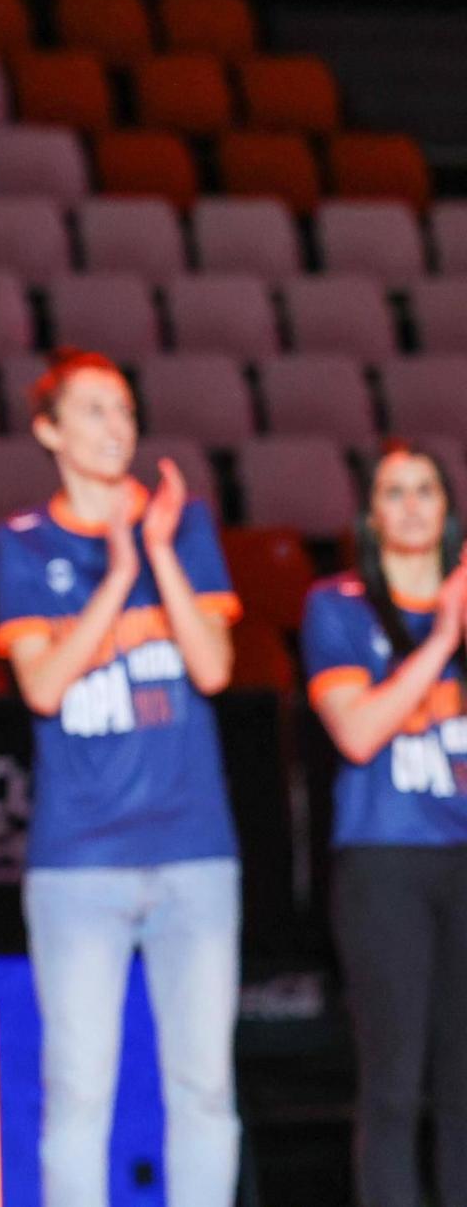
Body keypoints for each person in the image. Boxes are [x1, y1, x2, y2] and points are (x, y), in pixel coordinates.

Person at [0, 349, 242, 1207]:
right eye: (94, 410)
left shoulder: (188, 526)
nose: (116, 428)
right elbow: (45, 685)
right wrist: (124, 574)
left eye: (125, 410)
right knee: (79, 1092)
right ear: (49, 429)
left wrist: (160, 553)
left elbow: (211, 668)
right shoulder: (23, 543)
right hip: (79, 863)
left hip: (194, 851)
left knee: (206, 1088)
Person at [300, 442, 467, 1207]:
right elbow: (359, 731)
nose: (410, 505)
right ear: (370, 513)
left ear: (448, 507)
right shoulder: (337, 605)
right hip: (384, 863)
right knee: (395, 1084)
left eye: (425, 489)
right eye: (393, 492)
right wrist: (441, 639)